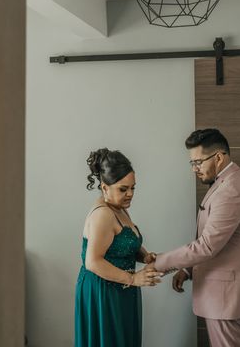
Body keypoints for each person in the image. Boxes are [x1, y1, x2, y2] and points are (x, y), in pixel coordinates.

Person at [150, 129, 240, 347]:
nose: (194, 169)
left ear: (218, 157)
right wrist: (188, 269)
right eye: (192, 163)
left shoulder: (231, 190)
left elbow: (208, 245)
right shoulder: (227, 180)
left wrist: (159, 263)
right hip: (222, 291)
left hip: (225, 294)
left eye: (198, 162)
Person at [75, 148, 161, 347]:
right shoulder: (103, 215)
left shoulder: (119, 208)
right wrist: (133, 278)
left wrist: (145, 256)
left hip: (122, 288)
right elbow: (93, 261)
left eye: (133, 188)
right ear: (105, 187)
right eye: (123, 189)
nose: (130, 194)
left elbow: (122, 242)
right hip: (103, 291)